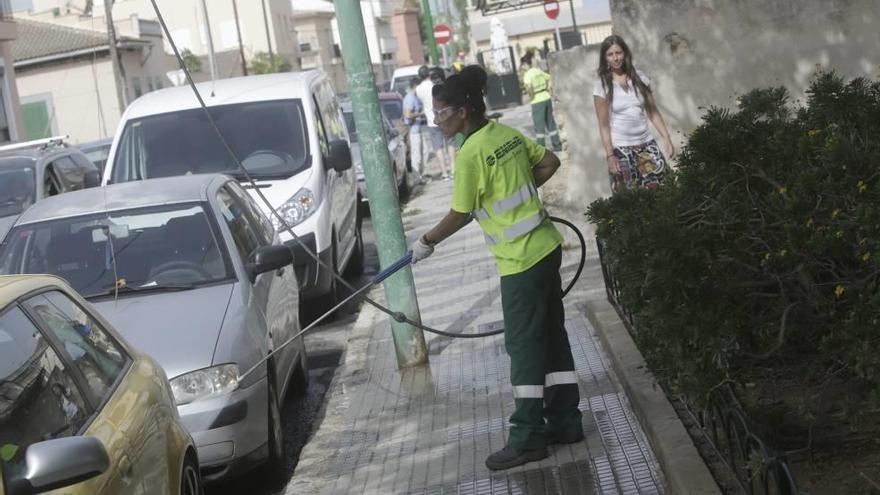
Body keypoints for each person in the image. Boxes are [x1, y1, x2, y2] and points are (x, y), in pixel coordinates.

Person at [409, 65, 583, 471]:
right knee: (553, 338)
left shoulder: (469, 154)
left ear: (463, 111)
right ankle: (565, 422)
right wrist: (517, 192)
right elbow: (550, 162)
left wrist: (426, 242)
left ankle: (527, 438)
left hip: (520, 262)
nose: (437, 121)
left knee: (523, 348)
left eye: (442, 113)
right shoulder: (504, 134)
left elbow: (460, 212)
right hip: (546, 248)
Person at [593, 35, 675, 192]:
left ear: (625, 53)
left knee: (665, 192)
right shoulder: (601, 86)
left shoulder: (640, 77)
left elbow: (653, 112)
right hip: (622, 150)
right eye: (610, 54)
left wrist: (667, 138)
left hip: (647, 146)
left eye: (619, 52)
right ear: (605, 58)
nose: (616, 58)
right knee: (632, 200)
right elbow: (603, 125)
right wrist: (610, 156)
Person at [415, 65, 453, 180]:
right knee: (450, 143)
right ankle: (453, 169)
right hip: (444, 117)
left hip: (431, 121)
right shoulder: (435, 85)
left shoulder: (418, 89)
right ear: (429, 74)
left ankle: (444, 172)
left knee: (438, 147)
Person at [520, 55, 562, 152]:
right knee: (551, 124)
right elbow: (550, 77)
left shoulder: (527, 74)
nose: (522, 67)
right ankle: (557, 146)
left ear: (525, 64)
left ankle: (541, 148)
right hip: (546, 98)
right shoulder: (537, 71)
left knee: (539, 126)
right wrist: (548, 88)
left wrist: (531, 96)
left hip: (537, 101)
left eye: (522, 65)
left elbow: (529, 87)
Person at [403, 77, 428, 184]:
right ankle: (417, 177)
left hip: (418, 128)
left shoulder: (415, 97)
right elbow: (407, 115)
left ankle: (421, 175)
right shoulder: (410, 98)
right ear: (415, 86)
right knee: (416, 155)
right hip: (413, 131)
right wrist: (421, 114)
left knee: (425, 151)